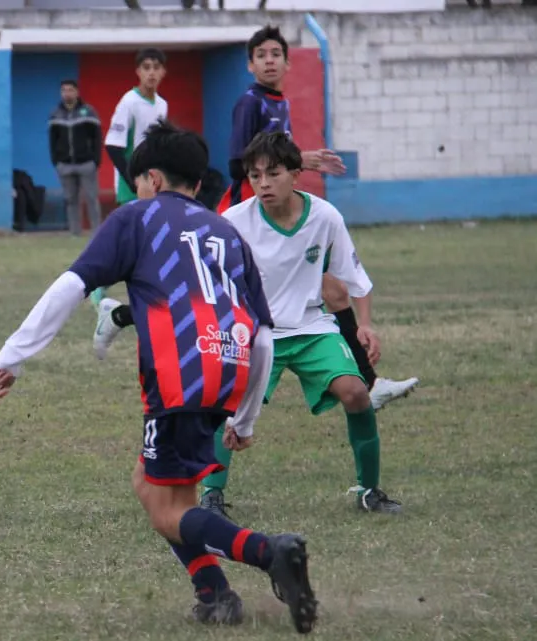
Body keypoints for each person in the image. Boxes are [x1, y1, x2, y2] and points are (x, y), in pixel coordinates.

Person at [0, 120, 318, 633]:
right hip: (228, 371)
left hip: (179, 376)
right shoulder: (227, 231)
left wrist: (12, 355)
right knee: (154, 484)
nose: (138, 191)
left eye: (139, 181)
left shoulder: (137, 218)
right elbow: (264, 337)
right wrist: (245, 420)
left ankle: (269, 552)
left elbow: (72, 285)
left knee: (165, 511)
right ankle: (215, 595)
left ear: (154, 180)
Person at [96, 26, 419, 413]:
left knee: (333, 291)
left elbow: (277, 155)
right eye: (261, 55)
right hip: (247, 215)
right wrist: (294, 161)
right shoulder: (250, 103)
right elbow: (237, 162)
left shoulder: (277, 102)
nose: (269, 60)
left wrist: (300, 158)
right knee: (202, 294)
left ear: (287, 61)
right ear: (250, 64)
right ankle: (121, 315)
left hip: (277, 218)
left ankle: (369, 381)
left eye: (275, 54)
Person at [209, 131, 403, 516]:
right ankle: (211, 496)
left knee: (356, 393)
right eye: (254, 175)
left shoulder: (325, 217)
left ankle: (370, 492)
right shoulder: (233, 222)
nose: (263, 183)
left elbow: (353, 276)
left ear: (296, 174)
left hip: (312, 327)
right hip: (258, 333)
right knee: (224, 408)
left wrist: (364, 325)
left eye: (273, 173)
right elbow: (211, 284)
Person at [88, 48, 168, 309]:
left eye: (156, 67)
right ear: (138, 71)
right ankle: (98, 283)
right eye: (146, 67)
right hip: (131, 181)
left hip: (154, 181)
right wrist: (133, 178)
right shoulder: (129, 102)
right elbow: (113, 145)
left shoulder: (162, 105)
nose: (152, 72)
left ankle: (149, 287)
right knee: (130, 237)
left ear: (163, 71)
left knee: (148, 237)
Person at [49, 79, 103, 235]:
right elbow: (52, 140)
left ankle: (97, 232)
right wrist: (56, 161)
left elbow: (97, 138)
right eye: (64, 90)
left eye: (70, 90)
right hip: (65, 165)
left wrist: (95, 160)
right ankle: (75, 232)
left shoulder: (89, 112)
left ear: (77, 92)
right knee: (71, 200)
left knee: (91, 198)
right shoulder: (55, 115)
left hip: (86, 164)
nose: (67, 93)